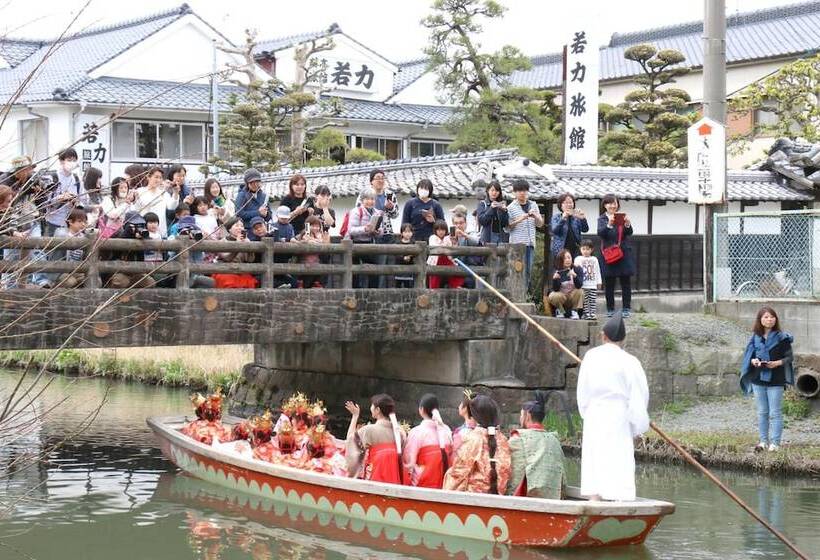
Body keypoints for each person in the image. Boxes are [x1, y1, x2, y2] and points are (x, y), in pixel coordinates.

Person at [577, 312, 649, 501]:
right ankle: (621, 497)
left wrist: (586, 412)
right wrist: (636, 423)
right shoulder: (630, 361)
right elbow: (639, 394)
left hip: (595, 412)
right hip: (619, 415)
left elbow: (582, 391)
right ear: (623, 339)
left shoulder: (591, 357)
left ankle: (595, 498)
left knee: (595, 454)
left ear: (603, 336)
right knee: (619, 455)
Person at [740, 306, 795, 452]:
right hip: (758, 379)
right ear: (760, 320)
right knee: (762, 412)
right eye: (765, 317)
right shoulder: (755, 337)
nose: (769, 319)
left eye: (772, 317)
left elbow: (789, 357)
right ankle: (763, 441)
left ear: (775, 319)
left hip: (776, 379)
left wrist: (776, 363)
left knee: (775, 412)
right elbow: (750, 356)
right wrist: (754, 362)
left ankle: (775, 443)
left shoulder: (782, 338)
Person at [443, 394, 511, 494]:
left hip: (474, 500)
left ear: (475, 416)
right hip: (498, 498)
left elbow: (458, 473)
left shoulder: (473, 438)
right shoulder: (503, 440)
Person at [507, 391, 566, 499]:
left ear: (527, 415)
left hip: (526, 498)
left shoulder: (519, 438)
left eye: (521, 415)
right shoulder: (555, 440)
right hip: (553, 498)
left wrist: (509, 496)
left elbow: (516, 475)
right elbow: (562, 476)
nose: (520, 419)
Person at [344, 394, 406, 484]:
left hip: (376, 475)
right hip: (395, 478)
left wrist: (355, 416)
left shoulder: (369, 430)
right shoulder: (399, 432)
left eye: (372, 405)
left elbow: (350, 442)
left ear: (377, 410)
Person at [403, 394, 453, 489]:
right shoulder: (446, 430)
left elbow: (409, 462)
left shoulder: (417, 432)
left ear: (421, 409)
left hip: (422, 484)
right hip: (444, 483)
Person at [358, 169, 398, 288]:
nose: (380, 180)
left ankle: (385, 291)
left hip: (386, 233)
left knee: (387, 267)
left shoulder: (389, 194)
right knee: (372, 266)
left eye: (382, 177)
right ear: (371, 181)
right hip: (370, 234)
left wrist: (390, 208)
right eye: (377, 178)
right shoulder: (365, 194)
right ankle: (371, 291)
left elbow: (395, 214)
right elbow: (359, 211)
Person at [597, 193, 635, 318]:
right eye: (609, 203)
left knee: (625, 282)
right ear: (605, 205)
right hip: (609, 254)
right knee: (609, 283)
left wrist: (628, 224)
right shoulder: (602, 219)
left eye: (615, 203)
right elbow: (601, 233)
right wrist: (609, 224)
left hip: (623, 252)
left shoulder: (621, 217)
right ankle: (610, 309)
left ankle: (626, 308)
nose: (612, 205)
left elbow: (629, 233)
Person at [101, 212, 155, 289]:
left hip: (135, 272)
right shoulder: (118, 235)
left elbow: (143, 257)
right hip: (118, 271)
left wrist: (143, 238)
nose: (138, 228)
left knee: (149, 282)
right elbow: (112, 254)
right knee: (120, 282)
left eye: (140, 225)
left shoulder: (142, 237)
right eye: (135, 225)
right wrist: (127, 234)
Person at [507, 179, 543, 291]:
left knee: (528, 271)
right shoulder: (510, 208)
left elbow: (540, 224)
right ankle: (515, 295)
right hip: (517, 245)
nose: (522, 193)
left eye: (524, 190)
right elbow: (507, 228)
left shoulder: (533, 205)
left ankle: (524, 295)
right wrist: (520, 219)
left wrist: (536, 216)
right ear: (514, 192)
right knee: (517, 270)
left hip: (530, 244)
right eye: (519, 191)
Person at [44, 148, 87, 237]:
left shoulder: (77, 179)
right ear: (61, 161)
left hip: (73, 224)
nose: (72, 163)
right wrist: (60, 198)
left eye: (74, 160)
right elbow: (44, 202)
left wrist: (75, 202)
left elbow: (83, 201)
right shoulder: (52, 178)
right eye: (69, 160)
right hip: (55, 222)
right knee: (55, 250)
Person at [347, 188, 384, 289]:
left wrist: (377, 231)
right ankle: (354, 294)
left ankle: (373, 294)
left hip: (370, 243)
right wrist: (365, 229)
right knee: (354, 272)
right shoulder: (356, 212)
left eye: (372, 199)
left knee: (374, 270)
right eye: (367, 199)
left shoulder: (377, 212)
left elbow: (381, 230)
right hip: (356, 244)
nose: (370, 201)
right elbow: (351, 230)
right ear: (362, 200)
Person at [212, 217, 259, 289]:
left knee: (251, 283)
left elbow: (250, 260)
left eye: (242, 226)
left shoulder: (245, 241)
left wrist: (249, 246)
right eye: (237, 226)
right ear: (229, 229)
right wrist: (237, 245)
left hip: (240, 270)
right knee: (229, 282)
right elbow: (227, 258)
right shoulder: (222, 241)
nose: (240, 228)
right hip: (225, 270)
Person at [134, 166, 180, 236]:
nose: (158, 180)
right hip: (144, 229)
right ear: (148, 177)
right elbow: (137, 209)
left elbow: (172, 207)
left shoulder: (165, 193)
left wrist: (176, 193)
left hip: (160, 229)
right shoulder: (140, 191)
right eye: (156, 177)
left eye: (160, 178)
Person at [54, 207, 88, 288]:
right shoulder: (61, 233)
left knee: (92, 279)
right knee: (70, 282)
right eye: (79, 221)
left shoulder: (84, 237)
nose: (83, 224)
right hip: (60, 271)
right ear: (70, 222)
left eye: (85, 222)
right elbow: (61, 236)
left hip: (76, 270)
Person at [546, 249, 584, 319]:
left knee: (580, 291)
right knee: (553, 295)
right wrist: (555, 279)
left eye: (569, 258)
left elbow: (579, 285)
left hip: (572, 297)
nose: (567, 260)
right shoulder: (557, 270)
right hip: (562, 297)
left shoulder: (577, 269)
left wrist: (575, 276)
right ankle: (561, 311)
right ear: (560, 260)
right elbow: (555, 289)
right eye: (564, 258)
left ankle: (574, 311)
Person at [427, 219, 464, 289]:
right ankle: (433, 289)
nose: (441, 232)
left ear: (446, 230)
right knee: (434, 277)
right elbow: (435, 247)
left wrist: (453, 242)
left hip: (446, 259)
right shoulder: (432, 237)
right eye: (438, 230)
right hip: (435, 261)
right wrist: (445, 250)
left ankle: (455, 285)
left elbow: (452, 249)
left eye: (443, 230)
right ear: (435, 230)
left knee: (455, 271)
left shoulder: (448, 238)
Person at [550, 193, 589, 259]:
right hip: (560, 249)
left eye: (571, 202)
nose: (569, 205)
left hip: (575, 249)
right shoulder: (556, 217)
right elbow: (554, 231)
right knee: (561, 268)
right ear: (561, 205)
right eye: (566, 203)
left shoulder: (576, 217)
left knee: (575, 268)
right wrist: (563, 219)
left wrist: (583, 219)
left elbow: (585, 229)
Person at [574, 240, 602, 320]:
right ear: (580, 249)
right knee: (585, 300)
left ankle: (592, 313)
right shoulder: (578, 259)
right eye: (583, 249)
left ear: (591, 250)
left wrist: (599, 282)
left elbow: (597, 271)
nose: (585, 251)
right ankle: (586, 314)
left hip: (592, 284)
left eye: (587, 249)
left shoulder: (594, 259)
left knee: (592, 299)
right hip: (583, 284)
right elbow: (575, 269)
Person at [476, 179, 509, 244]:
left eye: (497, 190)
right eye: (492, 190)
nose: (494, 193)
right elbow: (482, 221)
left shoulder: (501, 204)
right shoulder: (483, 204)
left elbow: (504, 224)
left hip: (500, 238)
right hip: (487, 237)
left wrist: (505, 211)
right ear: (488, 191)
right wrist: (491, 208)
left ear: (499, 192)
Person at [299, 215, 328, 288]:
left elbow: (324, 243)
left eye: (317, 226)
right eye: (313, 226)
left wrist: (318, 240)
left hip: (316, 262)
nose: (316, 228)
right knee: (307, 284)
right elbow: (307, 240)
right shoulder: (305, 234)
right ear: (308, 225)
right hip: (306, 263)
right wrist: (315, 241)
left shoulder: (318, 235)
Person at [451, 390, 477, 456]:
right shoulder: (481, 430)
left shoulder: (461, 432)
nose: (459, 406)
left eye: (461, 404)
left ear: (465, 408)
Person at [395, 223, 416, 288]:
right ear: (401, 233)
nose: (407, 233)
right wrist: (403, 258)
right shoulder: (398, 243)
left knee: (409, 286)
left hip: (410, 268)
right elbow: (396, 254)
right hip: (399, 268)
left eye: (409, 232)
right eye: (405, 232)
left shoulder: (413, 243)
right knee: (398, 285)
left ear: (412, 233)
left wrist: (410, 256)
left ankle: (409, 298)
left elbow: (415, 254)